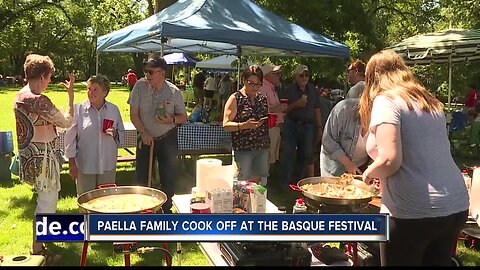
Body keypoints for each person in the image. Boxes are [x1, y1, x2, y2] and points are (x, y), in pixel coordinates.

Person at [359, 49, 469, 266]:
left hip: (414, 212)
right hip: (455, 204)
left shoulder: (386, 100)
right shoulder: (429, 101)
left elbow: (390, 160)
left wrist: (367, 175)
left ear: (372, 79)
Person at [13, 54, 74, 262]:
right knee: (47, 202)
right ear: (41, 76)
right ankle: (38, 250)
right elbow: (66, 121)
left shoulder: (20, 95)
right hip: (43, 158)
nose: (49, 81)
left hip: (30, 155)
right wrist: (71, 98)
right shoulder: (39, 100)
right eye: (49, 77)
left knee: (45, 200)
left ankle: (42, 242)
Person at [128, 56, 187, 214]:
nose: (147, 75)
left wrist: (171, 119)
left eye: (150, 72)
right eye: (145, 71)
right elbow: (133, 114)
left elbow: (184, 117)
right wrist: (143, 132)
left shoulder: (174, 91)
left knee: (168, 177)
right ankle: (141, 210)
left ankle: (166, 211)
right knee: (141, 176)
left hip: (167, 138)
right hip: (145, 137)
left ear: (162, 73)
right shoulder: (140, 86)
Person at [65, 75, 125, 196]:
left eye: (95, 89)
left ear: (105, 92)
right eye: (88, 89)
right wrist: (71, 163)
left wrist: (115, 133)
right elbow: (70, 138)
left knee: (107, 200)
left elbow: (121, 134)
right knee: (86, 200)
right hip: (85, 164)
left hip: (107, 163)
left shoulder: (113, 110)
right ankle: (86, 216)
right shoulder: (79, 109)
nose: (90, 93)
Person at [223, 65, 270, 184]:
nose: (254, 87)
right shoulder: (235, 98)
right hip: (243, 149)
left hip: (262, 147)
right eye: (251, 83)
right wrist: (244, 125)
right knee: (242, 185)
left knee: (259, 186)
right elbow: (226, 125)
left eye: (258, 84)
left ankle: (258, 203)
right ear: (243, 80)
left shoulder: (262, 98)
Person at [281, 65, 322, 187]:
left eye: (306, 75)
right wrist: (296, 105)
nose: (304, 77)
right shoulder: (289, 90)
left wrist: (319, 127)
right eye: (301, 75)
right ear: (296, 77)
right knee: (288, 153)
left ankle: (297, 181)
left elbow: (317, 108)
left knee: (305, 154)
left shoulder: (313, 90)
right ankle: (285, 183)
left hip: (308, 126)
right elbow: (283, 110)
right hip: (291, 124)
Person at [320, 98, 369, 177]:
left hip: (362, 168)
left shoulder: (385, 117)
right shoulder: (343, 108)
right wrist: (348, 163)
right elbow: (328, 140)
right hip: (334, 168)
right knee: (331, 189)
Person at [259, 63, 286, 170]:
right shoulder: (263, 88)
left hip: (273, 128)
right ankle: (261, 183)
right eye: (277, 74)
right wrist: (277, 109)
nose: (280, 76)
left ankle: (264, 181)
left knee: (269, 158)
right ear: (268, 75)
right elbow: (260, 110)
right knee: (265, 158)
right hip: (268, 129)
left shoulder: (271, 88)